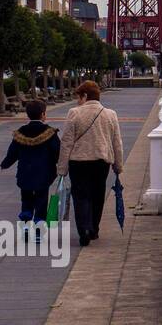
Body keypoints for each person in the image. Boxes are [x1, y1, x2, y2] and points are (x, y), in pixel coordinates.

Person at [57, 81, 124, 247]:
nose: (77, 101)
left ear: (85, 96)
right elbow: (117, 142)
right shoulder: (110, 114)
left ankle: (83, 230)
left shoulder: (74, 113)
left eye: (78, 97)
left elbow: (66, 142)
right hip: (101, 163)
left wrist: (62, 168)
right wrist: (118, 164)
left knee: (80, 196)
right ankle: (94, 228)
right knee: (97, 195)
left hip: (78, 162)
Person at [0, 99, 61, 241]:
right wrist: (62, 165)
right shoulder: (50, 133)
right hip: (44, 174)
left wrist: (5, 164)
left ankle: (26, 227)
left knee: (26, 200)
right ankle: (39, 231)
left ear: (28, 115)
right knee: (41, 200)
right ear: (43, 115)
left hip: (25, 173)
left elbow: (12, 152)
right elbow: (57, 151)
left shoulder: (20, 133)